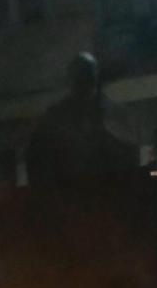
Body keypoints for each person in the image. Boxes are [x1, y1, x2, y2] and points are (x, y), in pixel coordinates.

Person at [24, 52, 139, 191]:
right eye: (81, 79)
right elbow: (36, 161)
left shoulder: (115, 114)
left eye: (88, 78)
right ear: (72, 80)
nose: (85, 84)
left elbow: (130, 155)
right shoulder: (54, 117)